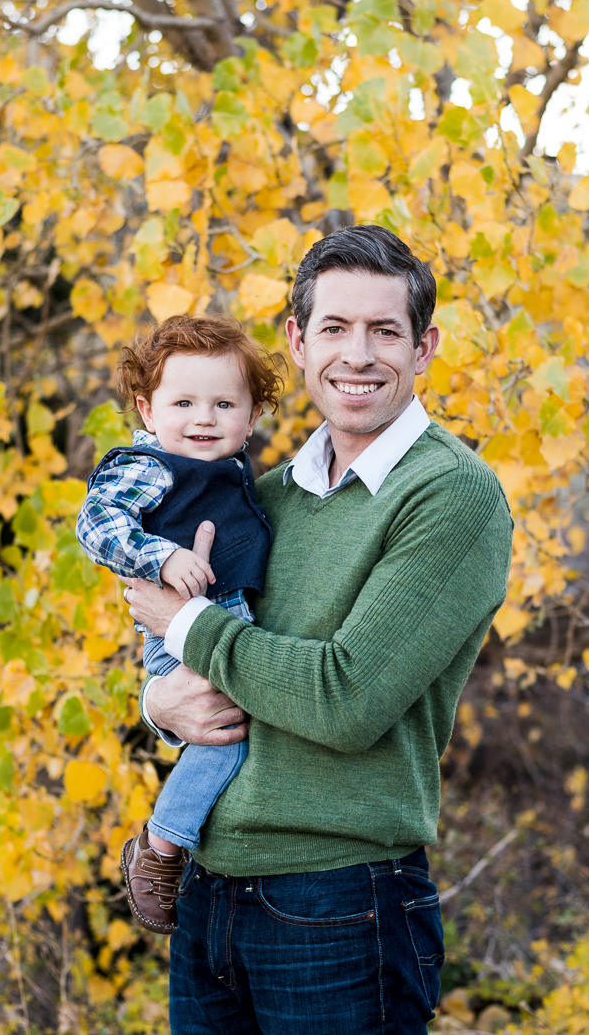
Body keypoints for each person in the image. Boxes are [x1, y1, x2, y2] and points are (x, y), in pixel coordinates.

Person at [123, 225, 514, 1033]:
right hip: (210, 894)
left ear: (424, 346)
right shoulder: (265, 495)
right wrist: (160, 707)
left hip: (340, 906)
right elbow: (186, 654)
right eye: (335, 329)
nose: (358, 355)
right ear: (298, 342)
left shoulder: (452, 496)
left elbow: (346, 699)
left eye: (385, 331)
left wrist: (189, 625)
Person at [74, 313, 284, 934]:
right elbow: (97, 525)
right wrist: (160, 555)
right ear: (147, 409)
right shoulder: (154, 465)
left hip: (225, 624)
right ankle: (162, 847)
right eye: (184, 402)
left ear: (251, 419)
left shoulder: (243, 474)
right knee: (227, 738)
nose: (204, 418)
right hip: (179, 634)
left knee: (240, 732)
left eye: (225, 404)